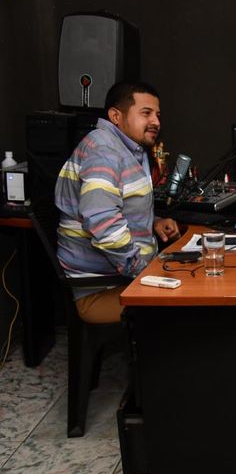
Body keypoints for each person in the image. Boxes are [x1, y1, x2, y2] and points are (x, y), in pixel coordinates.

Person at [55, 81, 180, 324]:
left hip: (121, 276)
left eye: (157, 115)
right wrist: (143, 271)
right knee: (191, 304)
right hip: (100, 289)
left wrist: (153, 222)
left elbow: (114, 205)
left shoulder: (128, 149)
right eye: (146, 113)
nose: (155, 121)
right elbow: (103, 225)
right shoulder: (103, 151)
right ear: (116, 116)